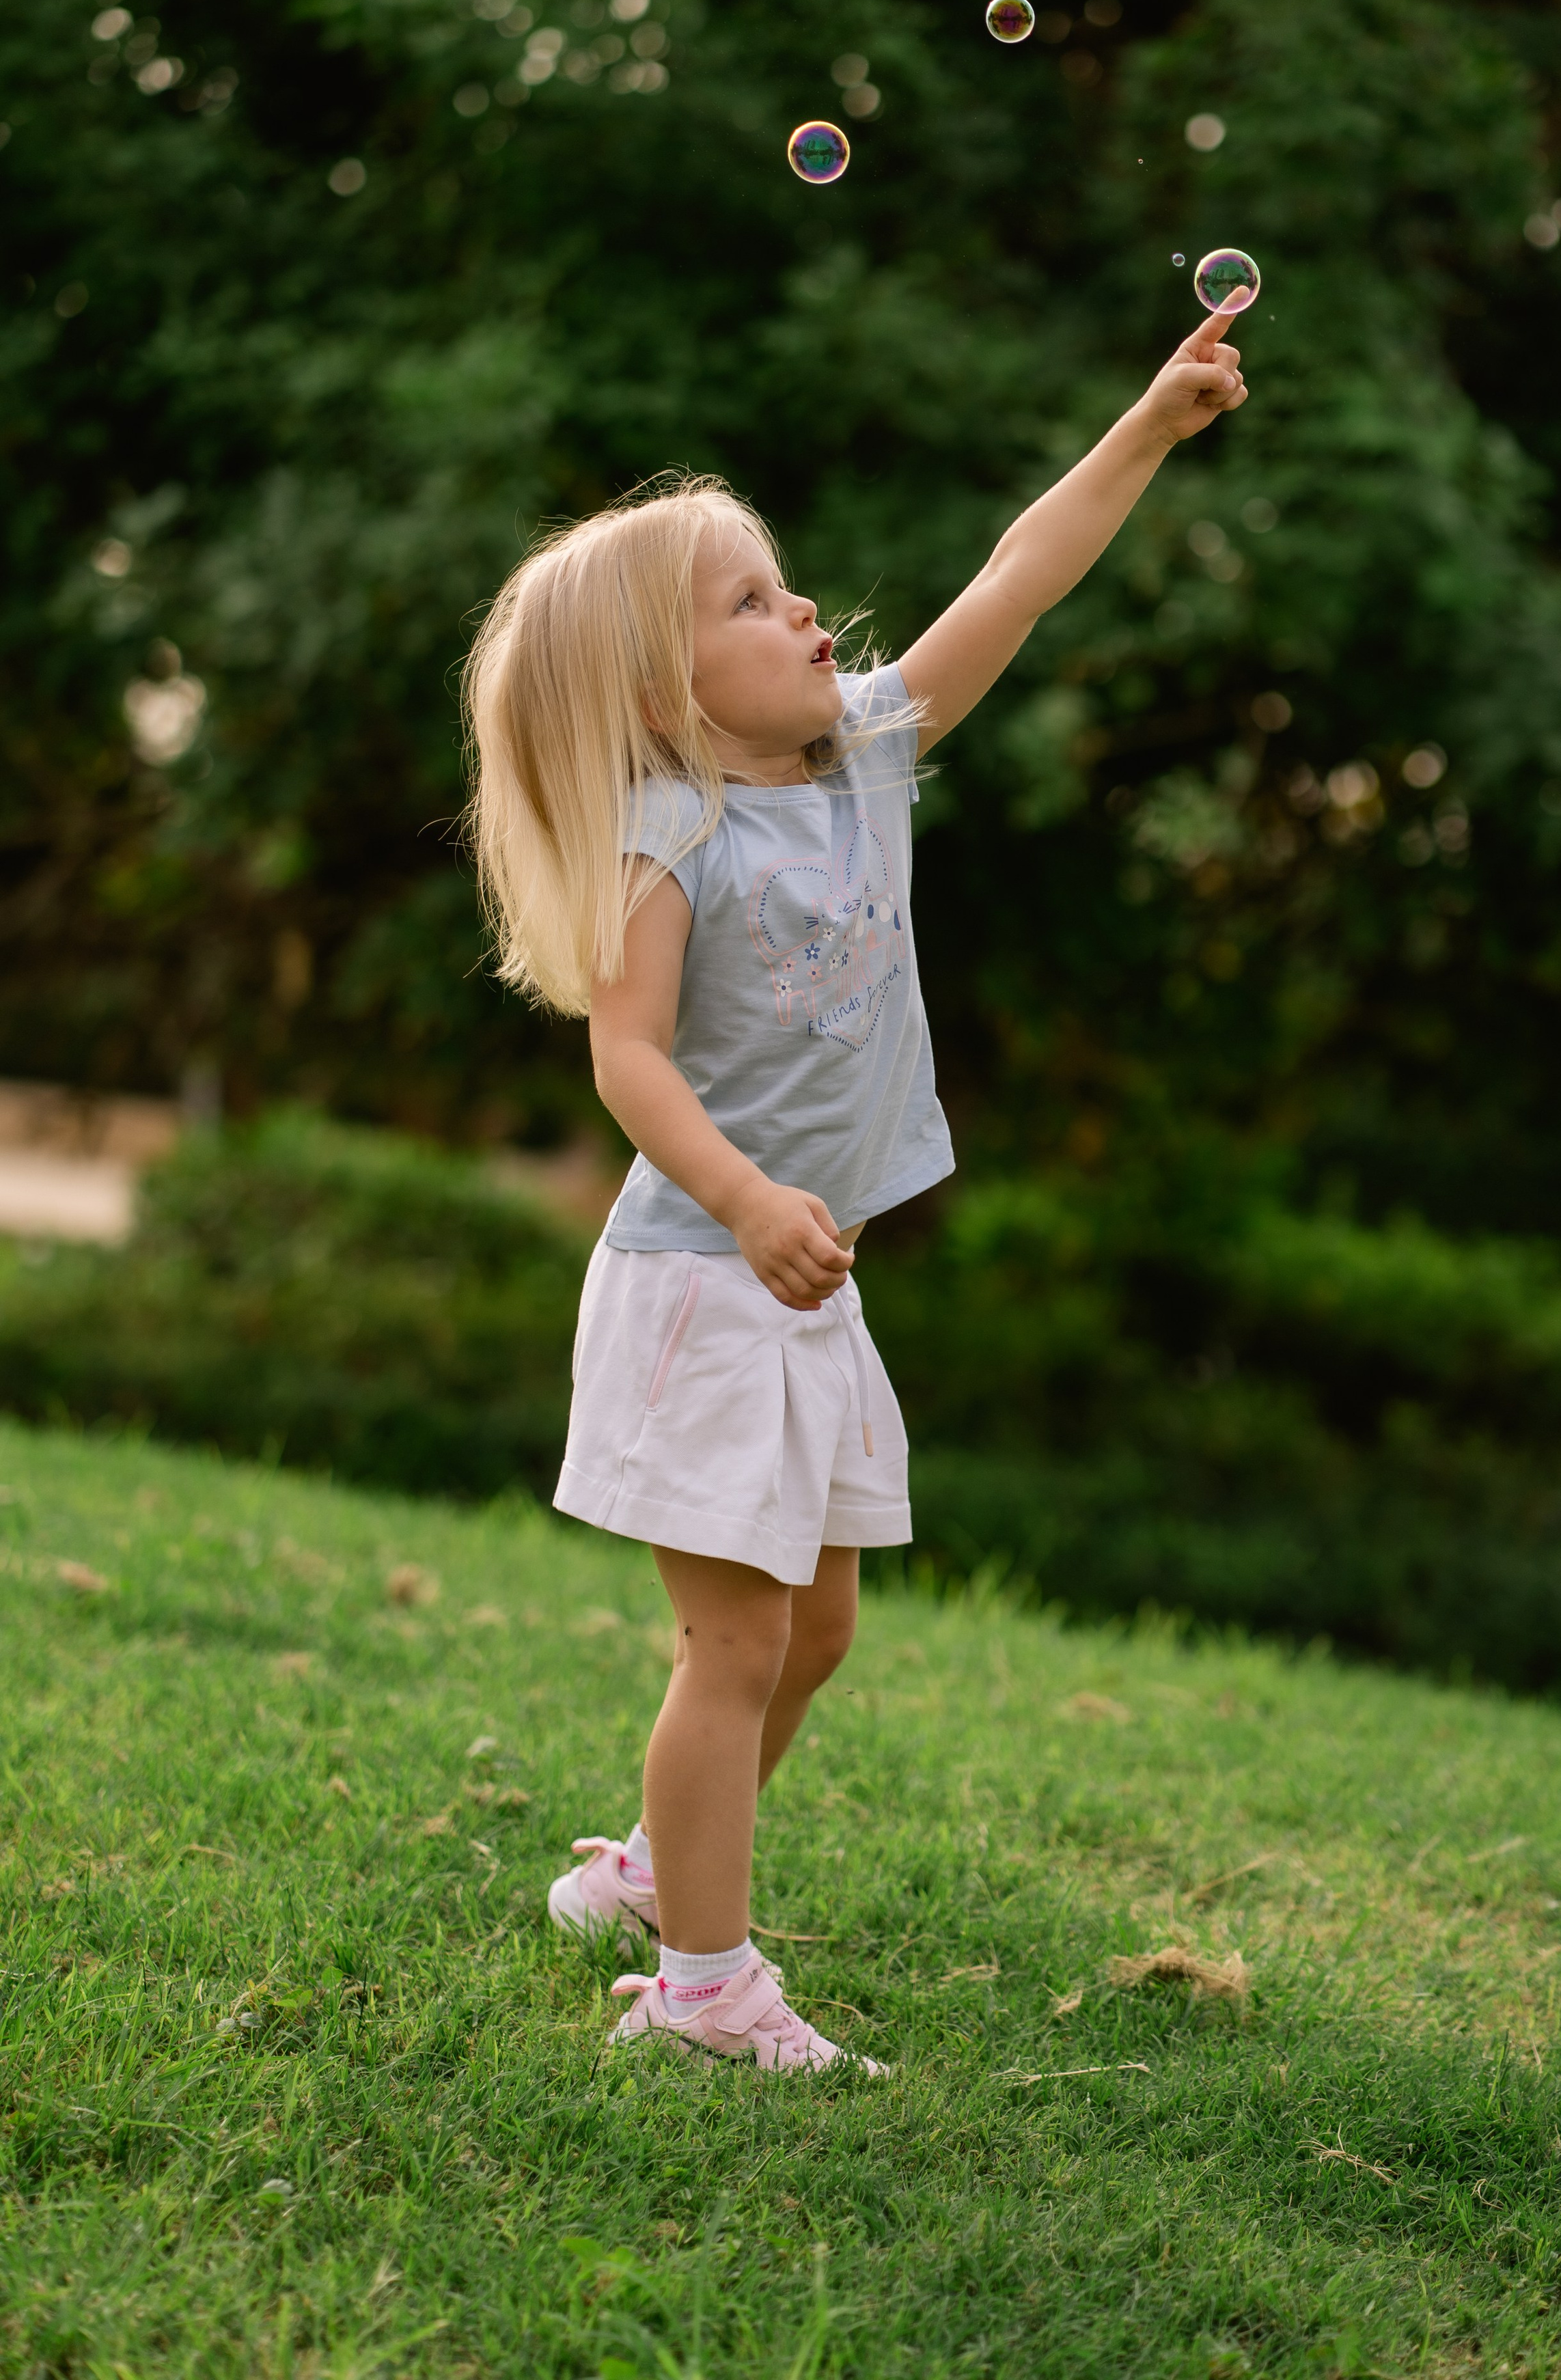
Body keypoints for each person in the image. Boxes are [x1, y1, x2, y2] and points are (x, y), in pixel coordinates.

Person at [462, 310, 1247, 2072]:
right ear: (664, 697)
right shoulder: (679, 835)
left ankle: (661, 1874)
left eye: (784, 582)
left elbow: (1015, 582)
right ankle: (705, 1990)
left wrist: (1146, 425)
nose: (803, 612)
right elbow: (630, 1061)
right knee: (734, 1642)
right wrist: (745, 1200)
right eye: (749, 602)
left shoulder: (865, 757)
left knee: (815, 1630)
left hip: (797, 1276)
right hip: (702, 1275)